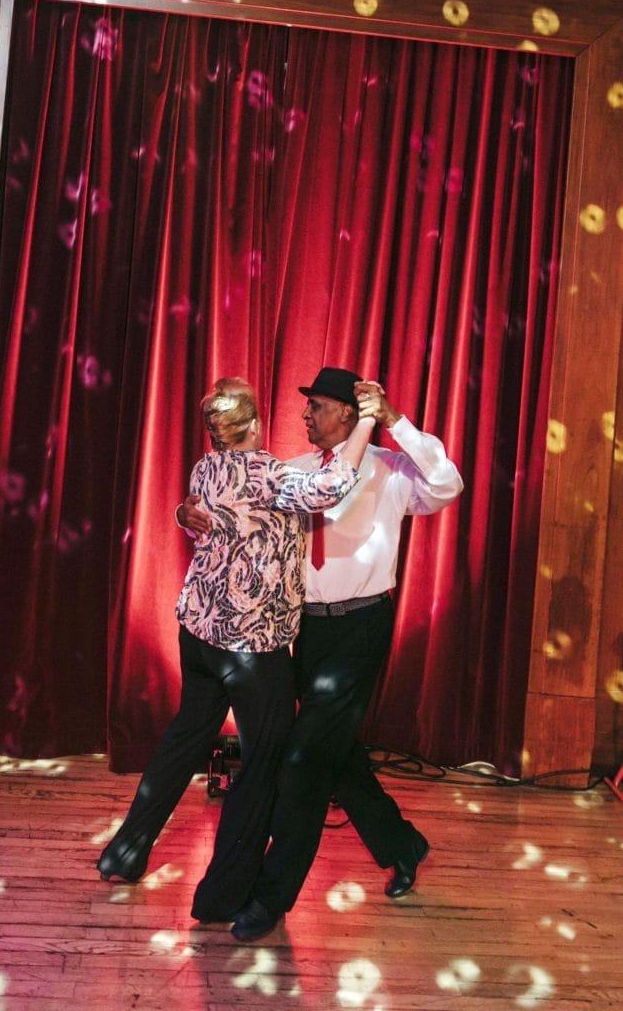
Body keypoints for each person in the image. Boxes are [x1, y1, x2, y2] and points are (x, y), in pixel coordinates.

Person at [178, 366, 464, 940]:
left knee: (305, 764)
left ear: (346, 414)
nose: (304, 415)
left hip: (358, 629)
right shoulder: (295, 471)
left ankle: (271, 898)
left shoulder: (389, 470)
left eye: (315, 407)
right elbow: (232, 516)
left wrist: (395, 422)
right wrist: (187, 515)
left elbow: (448, 483)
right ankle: (401, 843)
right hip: (300, 630)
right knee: (334, 754)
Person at [97, 375, 376, 923]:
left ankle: (125, 854)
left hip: (200, 634)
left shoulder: (207, 468)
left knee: (184, 741)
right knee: (260, 767)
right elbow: (334, 485)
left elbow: (204, 519)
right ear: (251, 424)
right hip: (251, 648)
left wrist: (182, 514)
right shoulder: (270, 475)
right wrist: (366, 419)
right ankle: (221, 895)